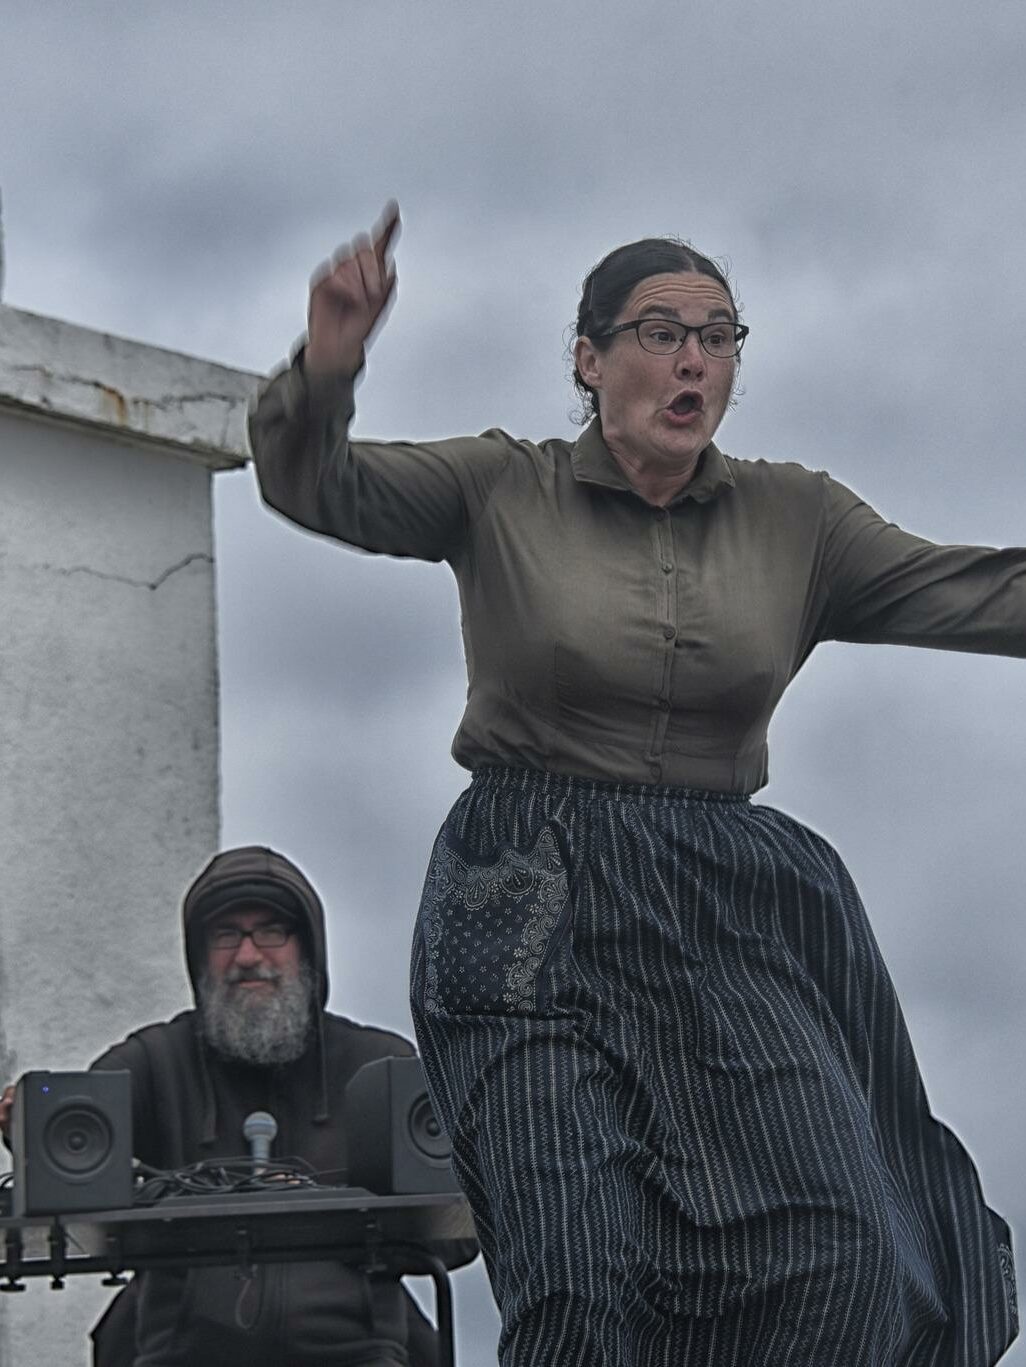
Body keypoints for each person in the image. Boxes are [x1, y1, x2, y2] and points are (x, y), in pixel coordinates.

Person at [247, 205, 1023, 1367]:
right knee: (581, 1272)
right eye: (661, 332)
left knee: (852, 1253)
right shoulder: (501, 486)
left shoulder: (800, 517)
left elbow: (981, 591)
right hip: (528, 899)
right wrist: (329, 362)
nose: (694, 360)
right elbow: (316, 481)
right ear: (589, 358)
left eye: (719, 336)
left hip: (727, 908)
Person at [2, 845, 455, 1367]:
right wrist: (26, 1130)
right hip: (182, 1354)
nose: (247, 956)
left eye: (271, 932)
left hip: (356, 1352)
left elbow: (457, 1227)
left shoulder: (377, 1066)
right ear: (198, 956)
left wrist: (361, 1231)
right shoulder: (155, 1061)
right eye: (225, 936)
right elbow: (74, 1138)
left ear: (308, 947)